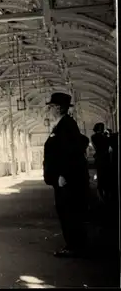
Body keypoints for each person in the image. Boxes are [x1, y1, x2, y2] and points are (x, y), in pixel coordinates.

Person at [43, 92, 90, 258]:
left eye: (51, 107)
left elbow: (70, 151)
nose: (49, 110)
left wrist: (64, 174)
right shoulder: (63, 124)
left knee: (69, 212)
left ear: (59, 108)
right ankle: (75, 244)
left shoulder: (66, 125)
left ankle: (73, 246)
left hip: (66, 178)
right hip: (63, 177)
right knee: (68, 211)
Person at [91, 123, 110, 200]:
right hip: (103, 158)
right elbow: (104, 145)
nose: (102, 129)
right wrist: (106, 136)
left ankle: (101, 193)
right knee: (104, 176)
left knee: (101, 176)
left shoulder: (95, 136)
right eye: (101, 127)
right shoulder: (100, 136)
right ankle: (103, 193)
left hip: (100, 158)